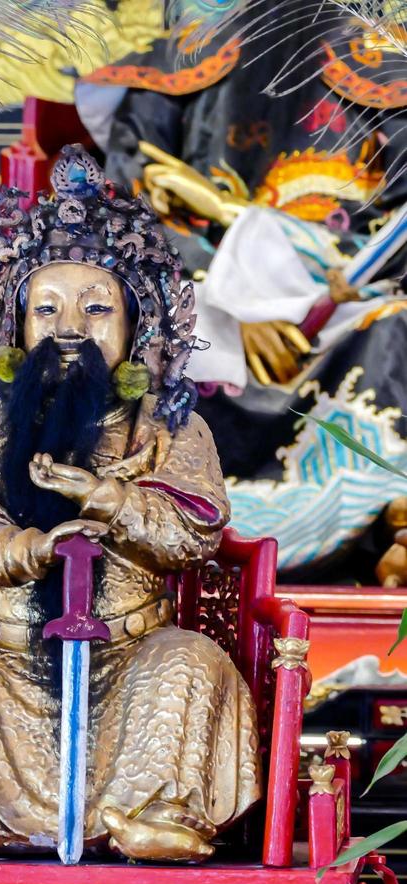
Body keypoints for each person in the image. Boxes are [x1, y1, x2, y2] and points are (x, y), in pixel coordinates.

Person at [0, 146, 261, 862]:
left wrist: (105, 498)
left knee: (194, 660)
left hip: (131, 654)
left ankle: (157, 815)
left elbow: (191, 535)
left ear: (138, 327)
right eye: (47, 308)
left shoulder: (171, 431)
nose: (70, 325)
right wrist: (32, 548)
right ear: (18, 326)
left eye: (96, 307)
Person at [77, 8, 407, 581]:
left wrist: (293, 275)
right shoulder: (178, 63)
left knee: (393, 325)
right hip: (200, 296)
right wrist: (239, 305)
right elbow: (126, 217)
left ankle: (373, 525)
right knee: (135, 332)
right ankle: (166, 528)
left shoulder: (385, 61)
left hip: (344, 295)